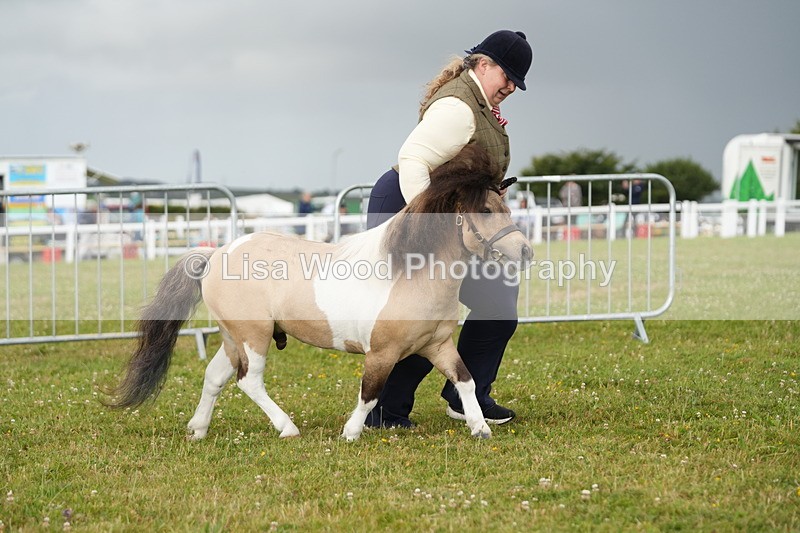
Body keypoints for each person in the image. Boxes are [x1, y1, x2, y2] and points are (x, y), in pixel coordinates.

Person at [365, 30, 533, 429]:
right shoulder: (459, 106)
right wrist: (432, 226)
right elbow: (412, 159)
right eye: (507, 76)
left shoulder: (477, 102)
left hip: (448, 217)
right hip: (409, 207)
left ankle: (465, 395)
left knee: (497, 301)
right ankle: (386, 412)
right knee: (421, 316)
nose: (510, 86)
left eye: (516, 82)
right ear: (484, 64)